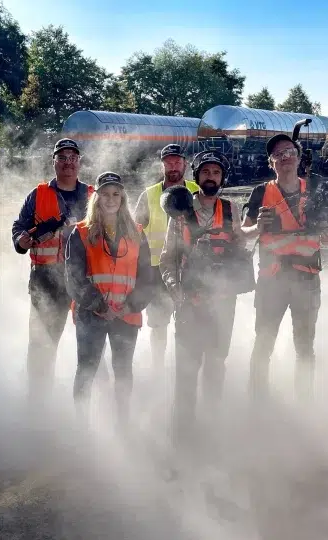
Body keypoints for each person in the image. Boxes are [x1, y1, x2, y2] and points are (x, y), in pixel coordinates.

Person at [241, 134, 328, 401]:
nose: (285, 157)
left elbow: (327, 229)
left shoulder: (316, 189)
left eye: (289, 152)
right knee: (264, 343)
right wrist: (257, 227)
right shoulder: (261, 193)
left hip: (306, 279)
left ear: (298, 156)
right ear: (271, 163)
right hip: (272, 280)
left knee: (305, 346)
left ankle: (304, 404)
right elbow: (243, 232)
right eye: (278, 155)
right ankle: (258, 402)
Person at [159, 149, 245, 444]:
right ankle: (181, 437)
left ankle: (211, 431)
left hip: (223, 305)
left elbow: (242, 256)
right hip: (189, 305)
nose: (211, 177)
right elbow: (167, 259)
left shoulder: (233, 210)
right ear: (196, 177)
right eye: (206, 172)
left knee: (216, 366)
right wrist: (176, 291)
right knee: (186, 371)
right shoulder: (180, 211)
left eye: (216, 173)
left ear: (222, 178)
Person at [65, 172, 155, 423]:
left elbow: (147, 277)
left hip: (126, 315)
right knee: (87, 369)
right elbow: (74, 277)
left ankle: (122, 423)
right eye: (105, 194)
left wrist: (130, 305)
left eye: (116, 194)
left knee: (123, 371)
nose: (110, 199)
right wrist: (98, 305)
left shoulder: (137, 233)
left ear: (123, 198)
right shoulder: (81, 233)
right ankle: (81, 424)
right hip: (91, 314)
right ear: (96, 198)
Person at [11, 138, 94, 402]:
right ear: (54, 162)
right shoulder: (38, 195)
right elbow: (19, 227)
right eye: (62, 157)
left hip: (87, 278)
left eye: (73, 158)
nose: (68, 163)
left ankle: (88, 406)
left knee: (92, 346)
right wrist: (20, 240)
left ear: (79, 163)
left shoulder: (93, 194)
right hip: (46, 281)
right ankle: (38, 404)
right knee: (41, 346)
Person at [133, 144, 201, 376]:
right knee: (159, 323)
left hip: (190, 268)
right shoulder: (149, 194)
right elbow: (135, 232)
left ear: (184, 163)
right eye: (168, 162)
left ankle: (186, 368)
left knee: (190, 322)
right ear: (162, 164)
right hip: (156, 269)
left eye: (177, 161)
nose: (173, 166)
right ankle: (158, 369)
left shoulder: (196, 191)